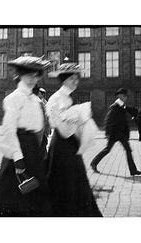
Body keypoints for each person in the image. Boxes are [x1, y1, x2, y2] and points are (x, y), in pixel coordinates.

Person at [0, 56, 52, 216]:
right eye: (30, 74)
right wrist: (18, 160)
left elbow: (40, 128)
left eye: (37, 74)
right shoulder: (13, 98)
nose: (34, 78)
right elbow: (9, 130)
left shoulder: (35, 100)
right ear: (20, 75)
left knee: (37, 196)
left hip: (34, 152)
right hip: (18, 154)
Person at [46, 62, 102, 216]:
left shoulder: (68, 98)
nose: (75, 81)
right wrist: (78, 115)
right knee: (65, 180)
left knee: (75, 180)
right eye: (72, 78)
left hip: (70, 144)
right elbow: (59, 127)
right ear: (63, 79)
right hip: (61, 146)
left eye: (77, 78)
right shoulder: (56, 99)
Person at [90, 88, 141, 176]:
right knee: (107, 150)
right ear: (119, 96)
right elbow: (108, 120)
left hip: (121, 133)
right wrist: (107, 133)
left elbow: (130, 110)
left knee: (128, 150)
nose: (126, 97)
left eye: (126, 96)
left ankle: (133, 170)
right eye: (124, 96)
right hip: (114, 133)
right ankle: (93, 163)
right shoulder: (114, 106)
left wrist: (138, 112)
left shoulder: (122, 106)